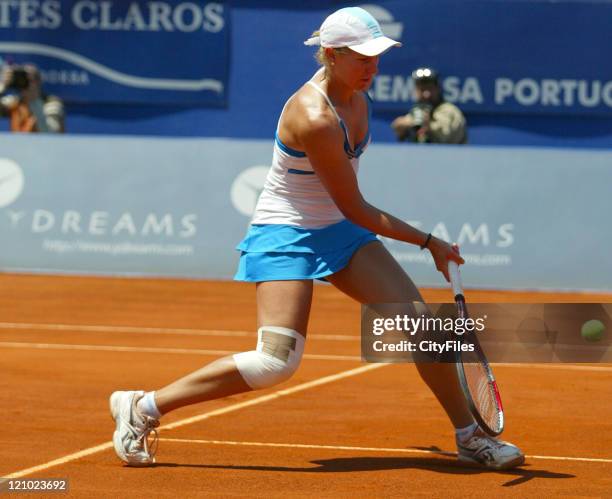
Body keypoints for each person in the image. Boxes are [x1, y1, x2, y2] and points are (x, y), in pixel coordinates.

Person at [109, 7, 523, 470]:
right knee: (275, 363)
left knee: (424, 329)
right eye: (362, 58)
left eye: (376, 57)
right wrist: (429, 242)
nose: (373, 67)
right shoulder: (314, 116)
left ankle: (469, 436)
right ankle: (142, 407)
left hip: (337, 231)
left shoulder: (358, 98)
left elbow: (346, 211)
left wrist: (424, 242)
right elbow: (358, 209)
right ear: (330, 54)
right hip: (286, 231)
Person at [391, 67, 467, 144]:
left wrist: (428, 127)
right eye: (422, 89)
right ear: (415, 91)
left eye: (430, 89)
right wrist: (402, 128)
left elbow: (445, 135)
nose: (426, 94)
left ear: (438, 89)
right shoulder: (417, 111)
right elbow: (401, 129)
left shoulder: (450, 110)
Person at [0, 63, 65, 133]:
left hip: (43, 143)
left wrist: (34, 101)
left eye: (29, 79)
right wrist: (2, 86)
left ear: (38, 82)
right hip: (18, 143)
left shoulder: (52, 103)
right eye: (22, 78)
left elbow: (50, 133)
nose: (25, 82)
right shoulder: (15, 102)